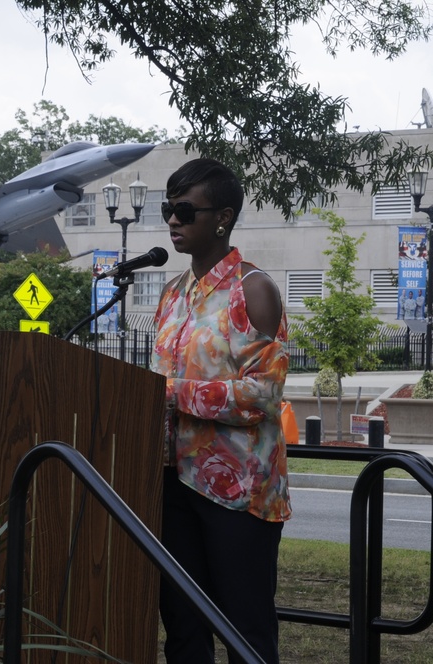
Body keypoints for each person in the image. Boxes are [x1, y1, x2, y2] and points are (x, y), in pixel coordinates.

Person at [150, 158, 291, 664]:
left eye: (185, 210)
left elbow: (262, 396)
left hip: (239, 496)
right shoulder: (171, 294)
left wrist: (167, 393)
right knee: (183, 629)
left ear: (223, 218)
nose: (173, 221)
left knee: (244, 630)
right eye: (169, 208)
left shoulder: (253, 290)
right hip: (173, 484)